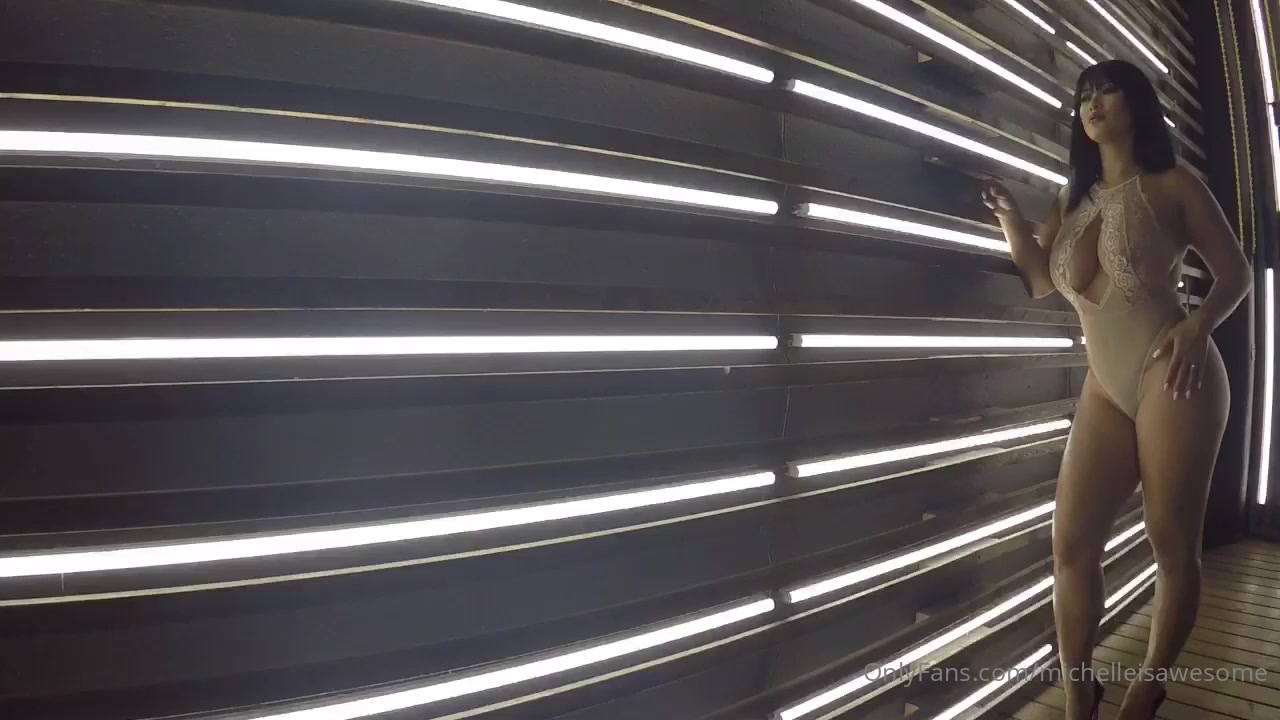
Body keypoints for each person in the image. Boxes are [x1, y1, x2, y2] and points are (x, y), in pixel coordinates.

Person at [981, 59, 1252, 720]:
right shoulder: (1070, 199)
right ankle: (1080, 694)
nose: (1092, 102)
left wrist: (1197, 328)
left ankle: (1147, 688)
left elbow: (1237, 273)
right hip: (1104, 386)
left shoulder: (1173, 183)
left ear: (1135, 103)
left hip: (1174, 371)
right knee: (1070, 546)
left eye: (1107, 89)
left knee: (1171, 544)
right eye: (1084, 95)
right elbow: (1041, 281)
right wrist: (1012, 220)